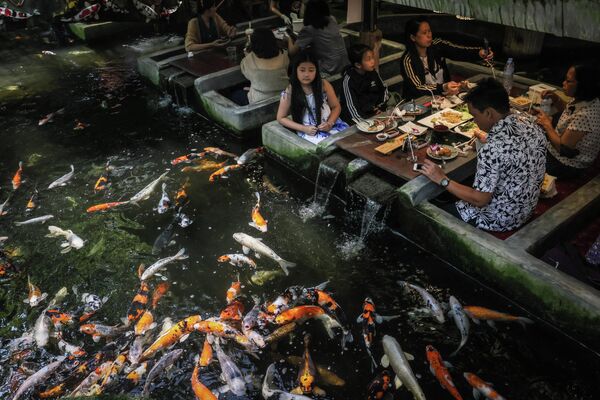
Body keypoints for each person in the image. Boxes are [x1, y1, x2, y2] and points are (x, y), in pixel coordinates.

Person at [420, 78, 547, 232]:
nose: (474, 120)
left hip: (500, 219)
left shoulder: (492, 148)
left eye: (474, 115)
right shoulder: (532, 125)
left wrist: (442, 179)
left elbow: (479, 200)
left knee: (427, 215)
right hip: (526, 208)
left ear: (488, 113)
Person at [400, 17, 493, 100]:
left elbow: (458, 51)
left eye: (429, 31)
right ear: (413, 37)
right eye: (424, 33)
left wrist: (479, 53)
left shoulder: (437, 45)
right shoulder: (408, 60)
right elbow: (418, 87)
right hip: (420, 102)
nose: (429, 35)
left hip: (444, 97)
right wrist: (443, 87)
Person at [536, 64, 600, 178]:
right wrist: (556, 99)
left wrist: (547, 125)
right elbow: (570, 113)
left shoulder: (585, 115)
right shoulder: (588, 100)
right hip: (561, 155)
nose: (563, 83)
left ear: (583, 85)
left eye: (568, 81)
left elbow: (563, 149)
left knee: (523, 154)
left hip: (566, 165)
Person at [276, 50, 348, 144]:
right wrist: (303, 128)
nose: (306, 74)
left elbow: (336, 107)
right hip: (309, 131)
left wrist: (330, 123)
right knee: (325, 146)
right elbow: (281, 117)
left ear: (316, 70)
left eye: (311, 70)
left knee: (349, 140)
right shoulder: (290, 90)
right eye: (302, 70)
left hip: (331, 124)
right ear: (296, 70)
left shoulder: (323, 84)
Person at [287, 0, 349, 76]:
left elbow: (292, 52)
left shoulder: (309, 29)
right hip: (344, 64)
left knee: (301, 65)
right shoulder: (332, 19)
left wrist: (288, 38)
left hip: (330, 68)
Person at [238, 28, 290, 105]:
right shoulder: (284, 55)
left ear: (253, 45)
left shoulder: (249, 59)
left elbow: (246, 74)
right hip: (284, 99)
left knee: (235, 94)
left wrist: (247, 55)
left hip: (259, 103)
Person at [341, 44, 389, 122]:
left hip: (376, 113)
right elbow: (351, 108)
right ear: (358, 65)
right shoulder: (349, 81)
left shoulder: (372, 72)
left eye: (372, 57)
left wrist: (380, 108)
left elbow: (383, 89)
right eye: (368, 59)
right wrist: (367, 123)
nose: (373, 61)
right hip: (359, 120)